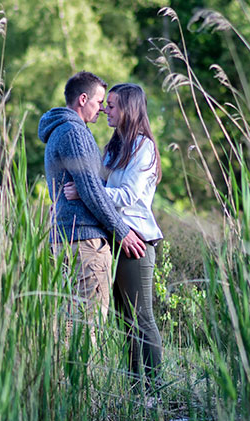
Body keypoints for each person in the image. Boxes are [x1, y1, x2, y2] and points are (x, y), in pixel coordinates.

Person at [64, 83, 164, 390]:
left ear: (129, 110)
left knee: (141, 319)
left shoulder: (143, 147)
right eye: (106, 103)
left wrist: (86, 192)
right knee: (125, 324)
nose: (107, 108)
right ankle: (138, 393)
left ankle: (153, 390)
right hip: (115, 240)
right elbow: (98, 186)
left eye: (113, 105)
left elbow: (128, 195)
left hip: (136, 242)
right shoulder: (114, 147)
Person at [38, 72, 146, 331]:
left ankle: (62, 374)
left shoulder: (59, 130)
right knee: (88, 327)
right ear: (83, 99)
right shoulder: (75, 133)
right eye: (99, 102)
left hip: (65, 238)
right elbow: (91, 191)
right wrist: (122, 232)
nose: (102, 110)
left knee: (68, 325)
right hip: (85, 244)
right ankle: (80, 373)